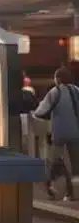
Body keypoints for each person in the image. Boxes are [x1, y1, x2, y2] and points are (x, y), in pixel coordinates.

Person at [34, 63, 79, 201]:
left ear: (58, 78)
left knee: (54, 161)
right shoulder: (76, 90)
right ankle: (72, 193)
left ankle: (51, 188)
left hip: (60, 133)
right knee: (75, 163)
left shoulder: (55, 91)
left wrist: (36, 114)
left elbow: (41, 111)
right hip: (76, 132)